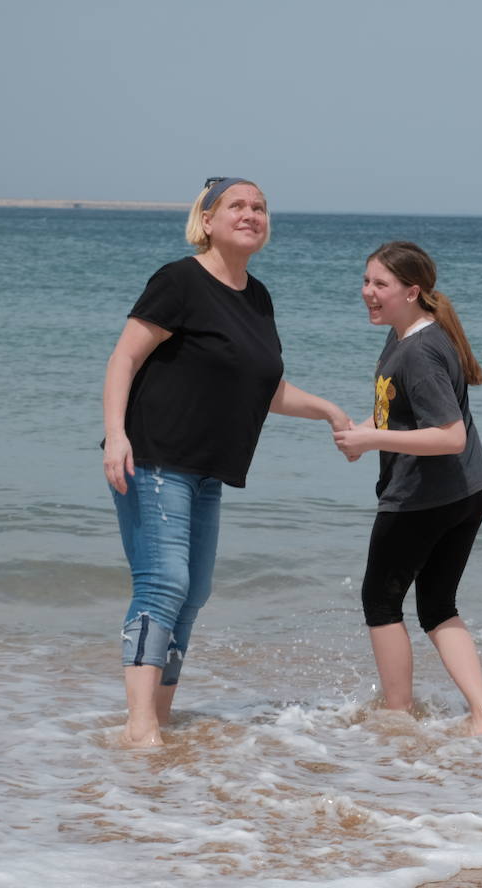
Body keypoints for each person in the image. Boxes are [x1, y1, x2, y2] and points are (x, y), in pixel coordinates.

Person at [102, 177, 350, 748]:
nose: (250, 214)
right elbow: (124, 358)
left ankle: (160, 718)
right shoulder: (179, 281)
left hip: (207, 469)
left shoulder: (257, 297)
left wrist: (329, 411)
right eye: (236, 205)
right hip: (155, 455)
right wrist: (116, 435)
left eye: (259, 207)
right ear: (207, 220)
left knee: (194, 593)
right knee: (163, 583)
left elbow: (263, 386)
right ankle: (140, 728)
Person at [333, 241, 482, 739]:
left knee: (380, 603)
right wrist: (365, 432)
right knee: (437, 606)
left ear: (412, 292)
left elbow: (450, 436)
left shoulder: (420, 351)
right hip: (467, 490)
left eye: (380, 284)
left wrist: (372, 440)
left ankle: (397, 715)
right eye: (366, 281)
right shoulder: (405, 335)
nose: (368, 292)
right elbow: (400, 412)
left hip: (425, 498)